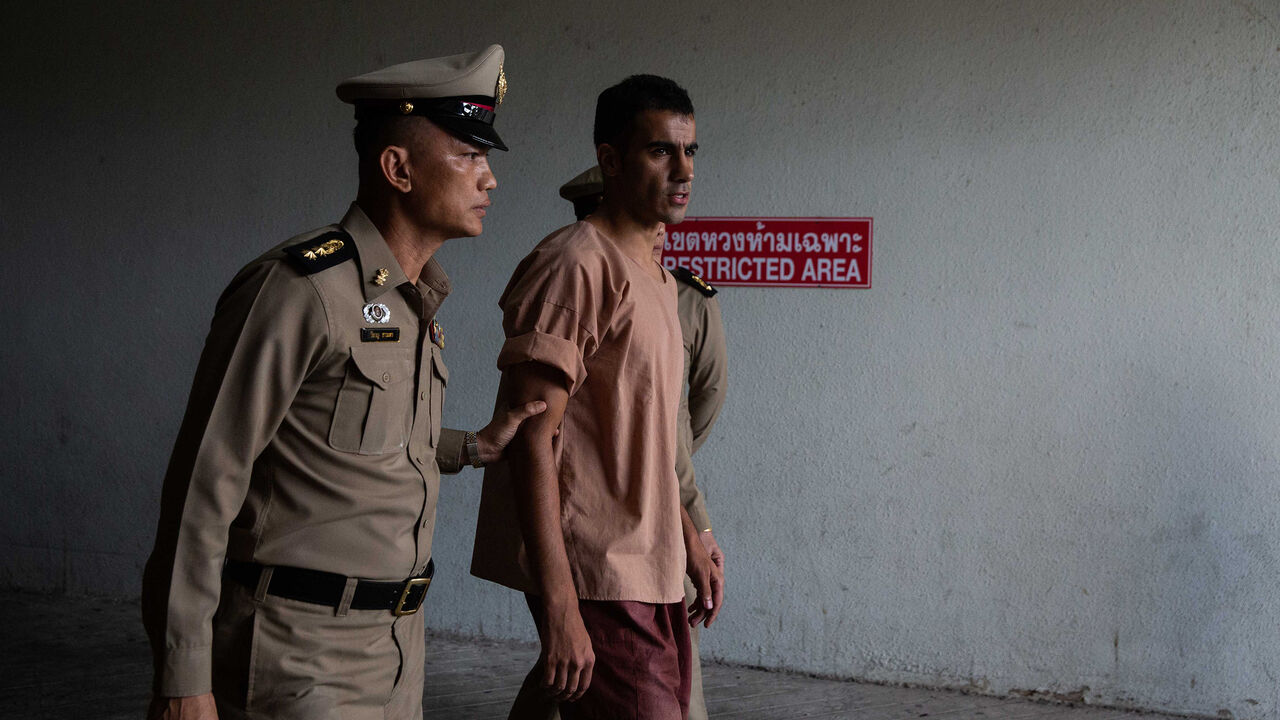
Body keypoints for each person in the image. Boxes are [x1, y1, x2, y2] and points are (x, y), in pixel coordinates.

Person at [140, 45, 542, 720]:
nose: (490, 178)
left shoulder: (413, 300)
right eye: (470, 155)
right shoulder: (298, 290)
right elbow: (204, 485)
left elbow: (352, 439)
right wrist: (183, 676)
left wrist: (473, 446)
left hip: (396, 655)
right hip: (298, 657)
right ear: (398, 169)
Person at [470, 74, 724, 720]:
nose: (684, 170)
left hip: (652, 562)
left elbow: (654, 437)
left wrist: (689, 536)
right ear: (610, 160)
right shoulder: (576, 265)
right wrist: (560, 606)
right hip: (599, 572)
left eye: (690, 150)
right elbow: (531, 442)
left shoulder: (658, 279)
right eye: (660, 151)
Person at [556, 166, 728, 720]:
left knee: (649, 671)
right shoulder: (573, 276)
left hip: (662, 510)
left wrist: (695, 527)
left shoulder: (677, 294)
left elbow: (687, 418)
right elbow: (546, 432)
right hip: (605, 535)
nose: (655, 233)